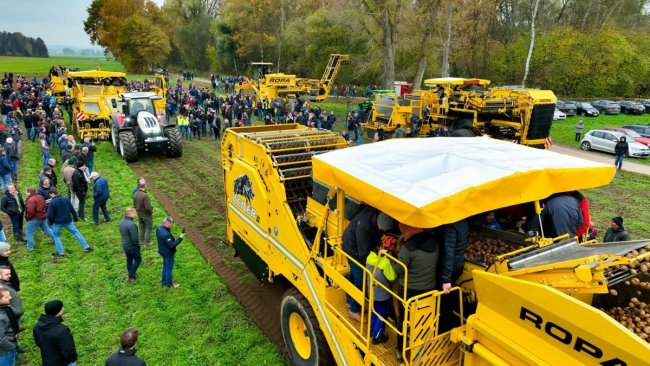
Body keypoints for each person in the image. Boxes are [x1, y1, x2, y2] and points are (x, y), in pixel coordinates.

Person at [392, 222, 438, 361]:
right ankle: (422, 351)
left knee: (404, 320)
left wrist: (391, 259)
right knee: (424, 321)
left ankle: (400, 350)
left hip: (409, 291)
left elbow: (398, 270)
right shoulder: (434, 244)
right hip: (429, 290)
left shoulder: (408, 248)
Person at [342, 208, 393, 321]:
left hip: (354, 242)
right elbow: (363, 254)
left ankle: (349, 301)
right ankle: (354, 311)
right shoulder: (364, 227)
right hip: (352, 248)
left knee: (353, 275)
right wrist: (373, 266)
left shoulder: (376, 215)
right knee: (361, 279)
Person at [366, 235, 397, 344]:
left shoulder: (370, 257)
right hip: (382, 295)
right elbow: (392, 277)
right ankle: (377, 337)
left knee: (374, 311)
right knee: (381, 314)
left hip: (372, 291)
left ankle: (371, 330)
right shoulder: (386, 263)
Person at [47, 188, 93, 257]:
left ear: (51, 194)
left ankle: (60, 253)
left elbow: (50, 215)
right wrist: (75, 218)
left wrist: (51, 223)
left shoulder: (52, 203)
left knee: (56, 236)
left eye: (50, 195)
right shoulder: (66, 199)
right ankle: (87, 247)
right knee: (76, 233)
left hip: (57, 222)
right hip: (68, 221)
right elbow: (72, 210)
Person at [33, 300, 78, 366]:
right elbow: (69, 352)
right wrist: (73, 359)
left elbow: (38, 343)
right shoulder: (63, 331)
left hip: (47, 361)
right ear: (59, 311)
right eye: (62, 307)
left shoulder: (37, 327)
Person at [156, 217, 185, 288]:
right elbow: (172, 245)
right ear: (168, 224)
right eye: (172, 224)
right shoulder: (166, 234)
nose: (172, 225)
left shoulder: (158, 227)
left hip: (162, 250)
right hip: (168, 253)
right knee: (169, 269)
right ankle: (169, 285)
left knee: (165, 267)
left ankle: (163, 282)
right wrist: (181, 237)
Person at [24, 187, 55, 252]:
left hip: (35, 218)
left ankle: (30, 248)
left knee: (28, 232)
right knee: (47, 229)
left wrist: (28, 217)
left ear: (29, 192)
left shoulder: (31, 200)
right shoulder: (40, 197)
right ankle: (55, 239)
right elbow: (45, 205)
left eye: (26, 192)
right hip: (43, 217)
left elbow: (30, 211)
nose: (26, 194)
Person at [119, 208, 141, 282]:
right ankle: (130, 275)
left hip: (125, 245)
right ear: (129, 214)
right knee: (138, 259)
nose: (135, 214)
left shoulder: (121, 222)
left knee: (129, 259)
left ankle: (132, 274)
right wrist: (138, 246)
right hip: (132, 246)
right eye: (134, 213)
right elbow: (135, 238)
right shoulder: (132, 224)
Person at [133, 178, 153, 247]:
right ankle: (146, 243)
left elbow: (134, 204)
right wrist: (150, 212)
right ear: (145, 186)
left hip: (139, 213)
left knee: (141, 227)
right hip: (146, 215)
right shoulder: (145, 196)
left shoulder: (135, 193)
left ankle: (141, 241)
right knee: (149, 227)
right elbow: (148, 208)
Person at [0, 287, 17, 366]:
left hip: (11, 340)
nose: (10, 298)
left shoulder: (4, 307)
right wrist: (11, 347)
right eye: (6, 297)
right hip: (4, 352)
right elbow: (0, 339)